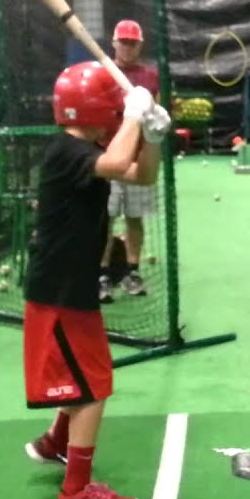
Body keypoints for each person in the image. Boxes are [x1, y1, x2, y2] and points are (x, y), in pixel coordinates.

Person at [21, 60, 170, 499]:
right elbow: (112, 163)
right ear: (97, 109)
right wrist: (132, 116)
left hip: (69, 290)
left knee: (85, 376)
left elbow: (141, 175)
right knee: (92, 387)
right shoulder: (69, 152)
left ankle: (55, 443)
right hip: (60, 294)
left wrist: (151, 137)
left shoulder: (81, 149)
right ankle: (76, 493)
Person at [100, 19, 160, 301]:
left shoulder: (150, 77)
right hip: (107, 158)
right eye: (122, 42)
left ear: (140, 45)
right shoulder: (103, 73)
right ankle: (100, 275)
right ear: (114, 43)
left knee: (134, 218)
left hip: (138, 160)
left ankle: (132, 272)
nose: (127, 47)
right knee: (105, 219)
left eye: (132, 43)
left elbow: (156, 112)